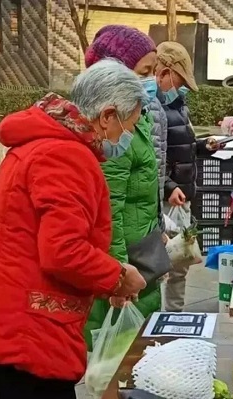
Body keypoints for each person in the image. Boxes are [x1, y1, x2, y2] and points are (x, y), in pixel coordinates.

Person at [0, 60, 148, 399]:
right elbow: (63, 252)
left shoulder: (42, 143)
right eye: (129, 125)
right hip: (30, 328)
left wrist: (105, 281)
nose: (128, 137)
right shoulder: (65, 155)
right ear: (107, 116)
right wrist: (118, 275)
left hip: (12, 316)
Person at [83, 25, 163, 347]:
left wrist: (158, 226)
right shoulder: (112, 131)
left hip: (143, 252)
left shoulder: (135, 119)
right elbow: (109, 211)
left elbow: (139, 190)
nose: (152, 80)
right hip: (126, 261)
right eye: (145, 72)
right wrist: (118, 277)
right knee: (120, 365)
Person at [155, 41, 218, 311]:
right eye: (179, 81)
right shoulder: (152, 108)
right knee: (160, 263)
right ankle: (155, 319)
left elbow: (182, 148)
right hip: (168, 199)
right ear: (165, 72)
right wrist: (168, 187)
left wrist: (204, 146)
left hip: (184, 195)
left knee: (180, 261)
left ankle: (174, 316)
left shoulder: (179, 105)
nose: (180, 87)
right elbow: (154, 158)